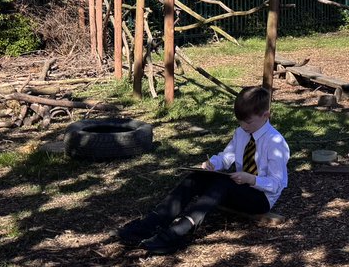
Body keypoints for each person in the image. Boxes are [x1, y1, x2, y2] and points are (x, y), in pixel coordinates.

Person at [116, 85, 290, 254]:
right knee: (196, 177)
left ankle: (177, 233)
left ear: (266, 115)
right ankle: (152, 222)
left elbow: (277, 183)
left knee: (223, 184)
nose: (243, 125)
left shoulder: (275, 142)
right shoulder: (241, 132)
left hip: (260, 198)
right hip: (239, 187)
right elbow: (227, 156)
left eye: (248, 121)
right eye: (240, 121)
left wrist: (251, 179)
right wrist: (213, 164)